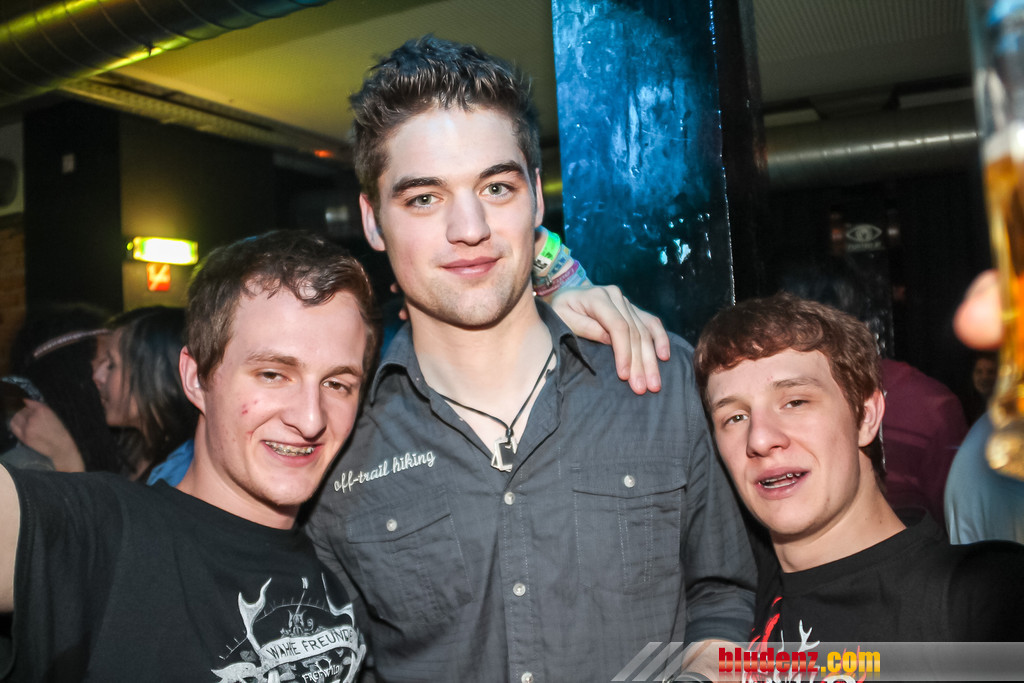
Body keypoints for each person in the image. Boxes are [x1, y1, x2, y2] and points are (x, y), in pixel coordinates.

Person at [306, 36, 756, 682]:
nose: (469, 228)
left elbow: (720, 591)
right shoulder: (335, 434)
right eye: (424, 198)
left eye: (496, 187)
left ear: (537, 200)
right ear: (373, 221)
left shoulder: (659, 380)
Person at [0, 231, 372, 681]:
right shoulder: (108, 536)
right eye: (273, 374)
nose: (311, 419)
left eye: (337, 384)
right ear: (196, 378)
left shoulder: (341, 554)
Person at [694, 292, 1024, 646]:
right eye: (735, 417)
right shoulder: (731, 597)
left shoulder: (978, 597)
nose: (759, 439)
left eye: (795, 402)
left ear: (866, 417)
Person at [3, 303, 124, 474]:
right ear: (71, 375)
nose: (126, 374)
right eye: (109, 363)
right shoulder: (26, 465)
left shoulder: (127, 442)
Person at [91, 306, 198, 481]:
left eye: (112, 364)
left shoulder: (185, 471)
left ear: (159, 375)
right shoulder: (130, 447)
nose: (97, 376)